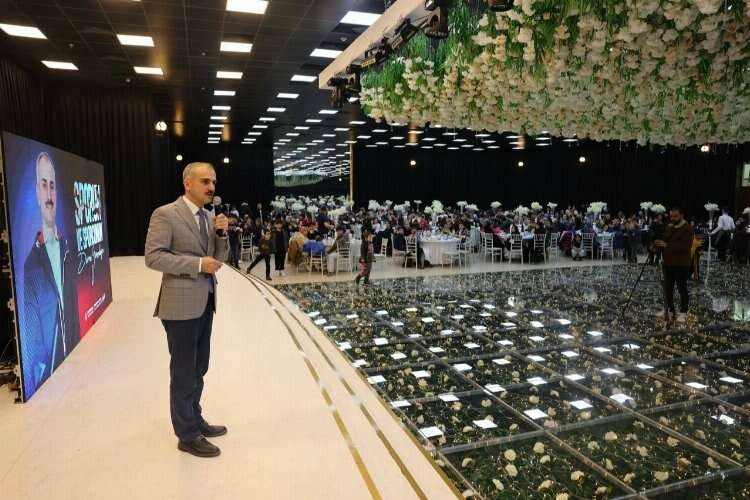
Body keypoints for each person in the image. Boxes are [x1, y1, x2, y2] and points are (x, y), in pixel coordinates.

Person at [144, 162, 229, 458]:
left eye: (213, 182)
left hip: (206, 300)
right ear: (187, 183)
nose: (211, 187)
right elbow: (153, 257)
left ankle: (195, 417)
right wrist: (197, 264)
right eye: (205, 181)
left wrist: (222, 235)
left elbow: (220, 258)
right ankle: (187, 435)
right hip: (179, 305)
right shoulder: (166, 214)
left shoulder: (209, 217)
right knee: (183, 371)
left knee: (199, 367)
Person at [22, 152, 80, 397]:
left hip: (78, 359)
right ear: (37, 192)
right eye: (44, 185)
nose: (49, 195)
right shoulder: (31, 266)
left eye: (53, 186)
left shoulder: (68, 249)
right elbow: (34, 341)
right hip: (55, 378)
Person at [655, 207, 694, 323]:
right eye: (671, 216)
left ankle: (683, 312)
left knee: (682, 288)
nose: (672, 218)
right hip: (668, 262)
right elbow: (665, 240)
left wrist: (667, 245)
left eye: (675, 216)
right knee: (668, 288)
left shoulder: (687, 228)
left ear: (681, 215)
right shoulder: (669, 226)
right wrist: (657, 243)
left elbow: (685, 246)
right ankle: (669, 309)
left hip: (681, 263)